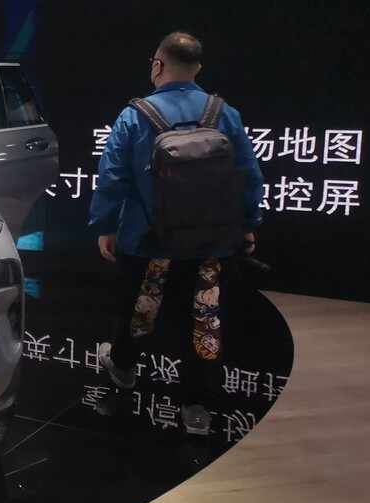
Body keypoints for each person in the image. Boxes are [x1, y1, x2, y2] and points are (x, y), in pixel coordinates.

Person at [89, 32, 264, 435]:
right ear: (197, 67)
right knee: (204, 320)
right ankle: (196, 408)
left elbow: (112, 177)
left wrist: (105, 227)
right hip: (211, 245)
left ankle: (123, 371)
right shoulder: (224, 114)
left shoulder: (135, 116)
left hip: (148, 242)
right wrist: (248, 225)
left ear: (158, 65)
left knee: (139, 311)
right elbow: (249, 176)